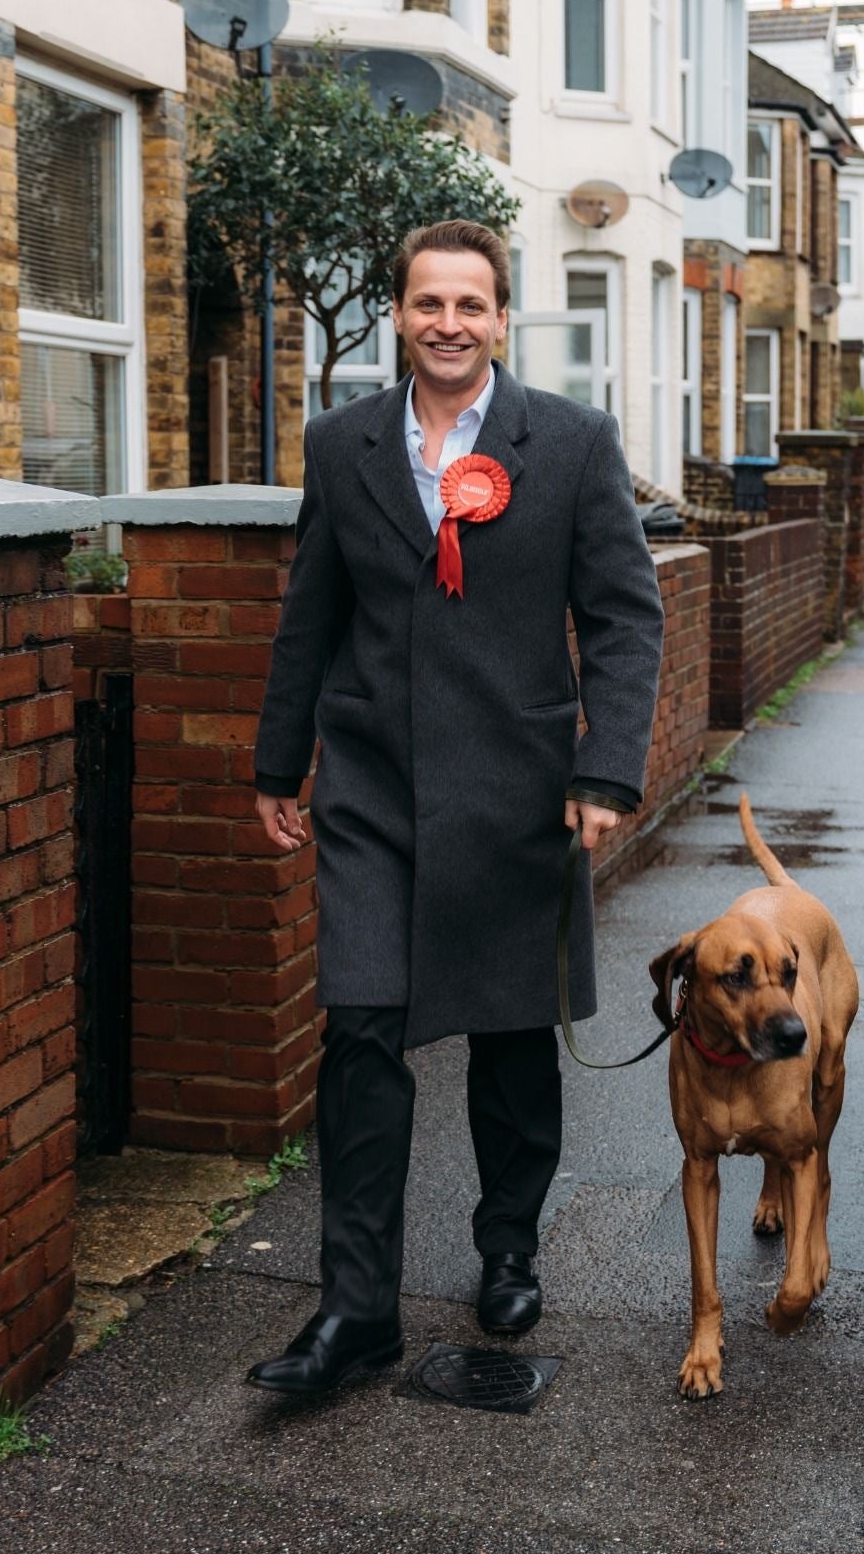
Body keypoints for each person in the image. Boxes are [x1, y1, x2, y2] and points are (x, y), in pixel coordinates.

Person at [247, 219, 664, 1394]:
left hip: (517, 793)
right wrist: (280, 765)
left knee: (510, 1034)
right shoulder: (342, 446)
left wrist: (604, 769)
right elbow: (309, 614)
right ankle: (354, 1309)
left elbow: (628, 619)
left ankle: (507, 1247)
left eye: (469, 306)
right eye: (427, 303)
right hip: (373, 791)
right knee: (361, 1030)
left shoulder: (572, 444)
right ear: (397, 312)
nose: (447, 324)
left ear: (500, 317)